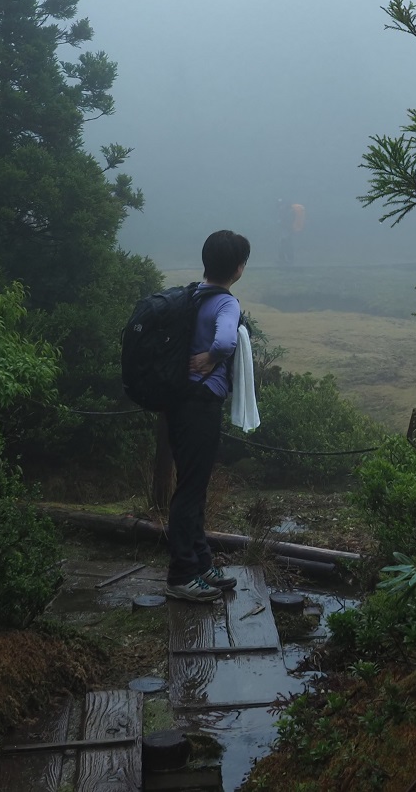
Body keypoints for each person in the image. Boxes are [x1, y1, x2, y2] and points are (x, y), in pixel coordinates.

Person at [165, 228, 249, 602]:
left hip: (180, 399)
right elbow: (227, 341)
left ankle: (200, 563)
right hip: (201, 403)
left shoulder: (193, 295)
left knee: (192, 484)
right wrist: (214, 357)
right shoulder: (227, 303)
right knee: (191, 489)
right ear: (238, 268)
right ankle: (182, 575)